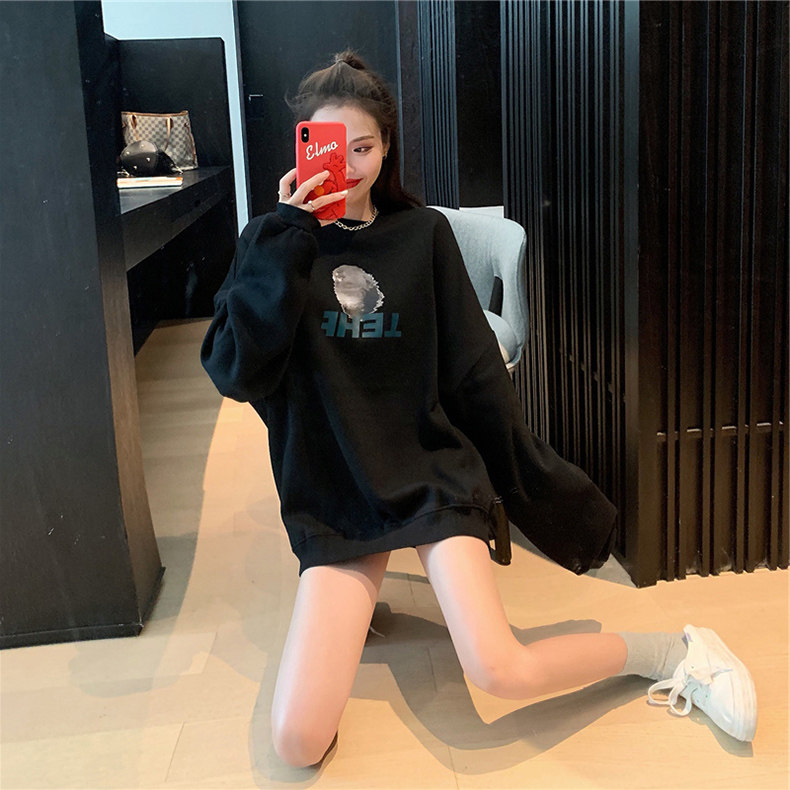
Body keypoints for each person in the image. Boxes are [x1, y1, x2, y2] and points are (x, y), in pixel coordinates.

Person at [200, 51, 757, 768]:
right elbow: (235, 370)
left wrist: (539, 487)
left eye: (363, 147)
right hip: (337, 490)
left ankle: (674, 652)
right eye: (330, 148)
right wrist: (287, 236)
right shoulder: (271, 243)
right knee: (298, 742)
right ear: (302, 147)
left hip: (429, 471)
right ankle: (357, 602)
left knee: (500, 670)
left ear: (386, 146)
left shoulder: (422, 234)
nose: (348, 166)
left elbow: (474, 374)